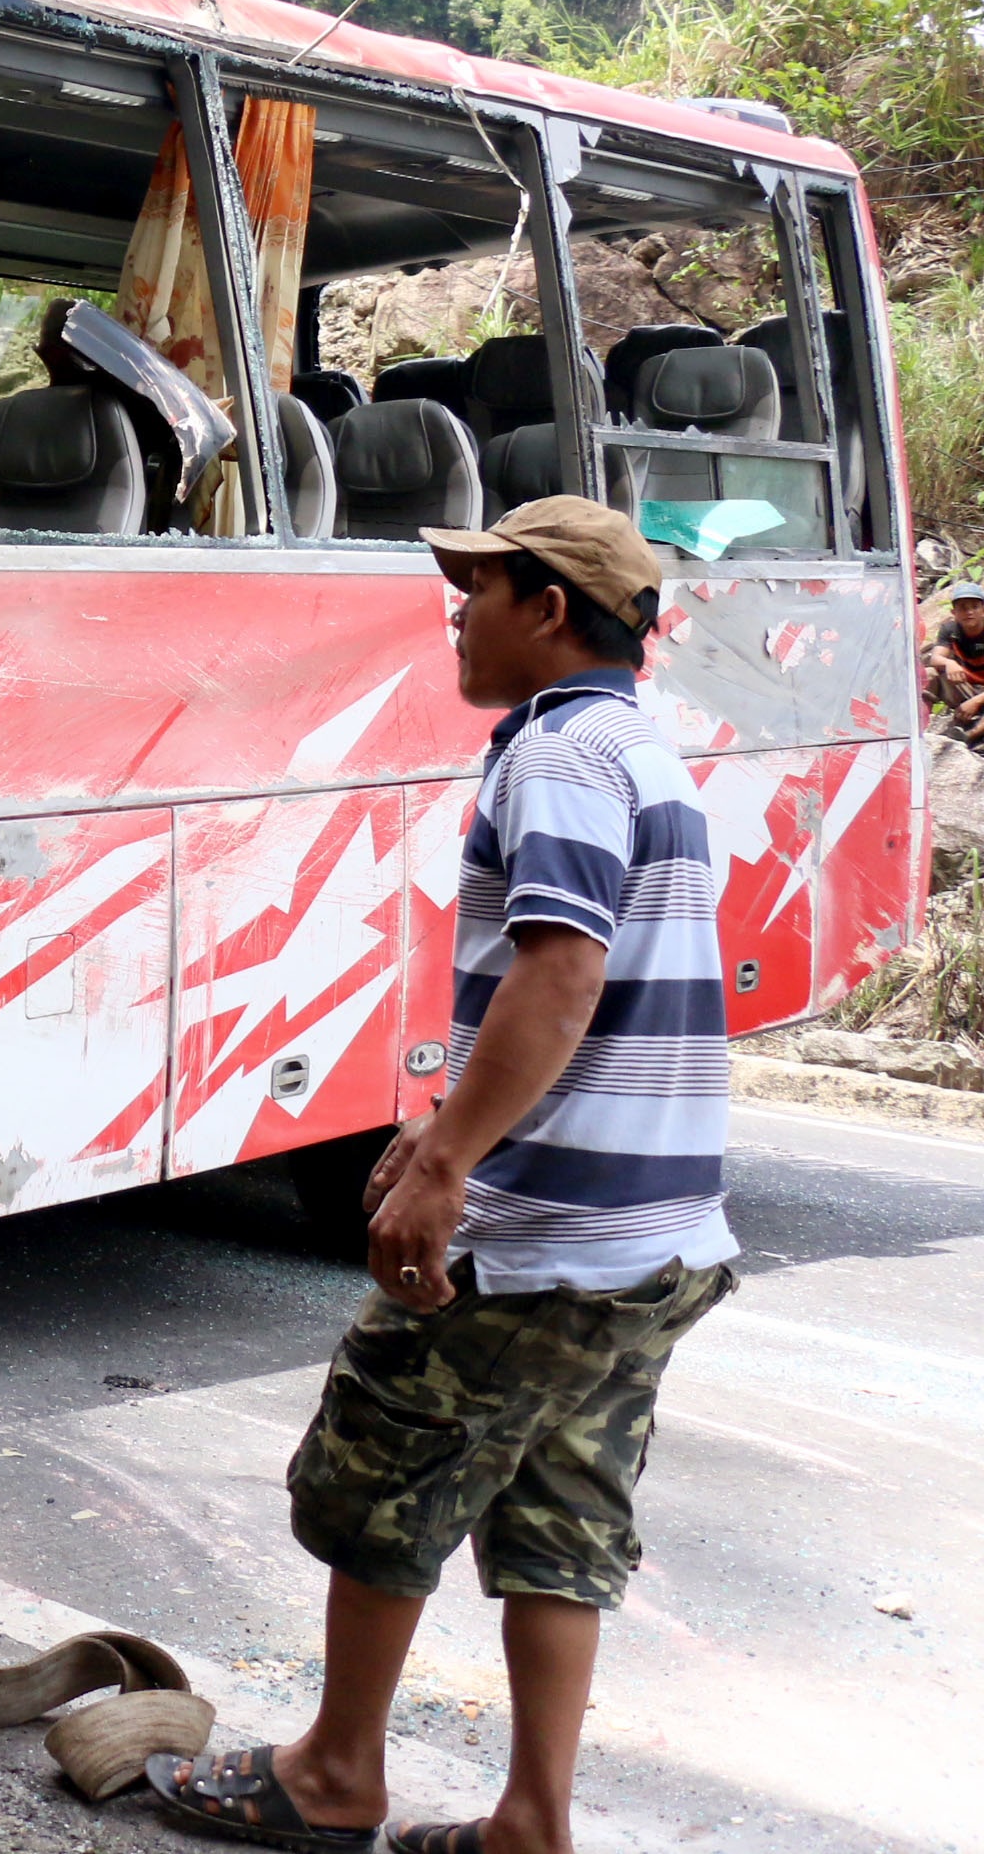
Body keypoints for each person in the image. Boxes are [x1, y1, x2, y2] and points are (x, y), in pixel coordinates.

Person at [147, 496, 736, 1854]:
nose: (456, 612)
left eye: (480, 588)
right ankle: (532, 1821)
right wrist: (440, 1121)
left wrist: (450, 1161)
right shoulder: (641, 749)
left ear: (550, 609)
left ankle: (332, 1777)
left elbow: (563, 971)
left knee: (378, 1480)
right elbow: (594, 998)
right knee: (562, 1518)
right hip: (651, 1239)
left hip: (539, 1240)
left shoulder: (561, 754)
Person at [923, 580, 984, 749]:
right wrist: (948, 662)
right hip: (966, 687)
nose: (969, 612)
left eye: (974, 607)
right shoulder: (950, 630)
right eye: (963, 608)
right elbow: (936, 658)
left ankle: (968, 736)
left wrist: (976, 701)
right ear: (954, 612)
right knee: (929, 674)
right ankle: (919, 727)